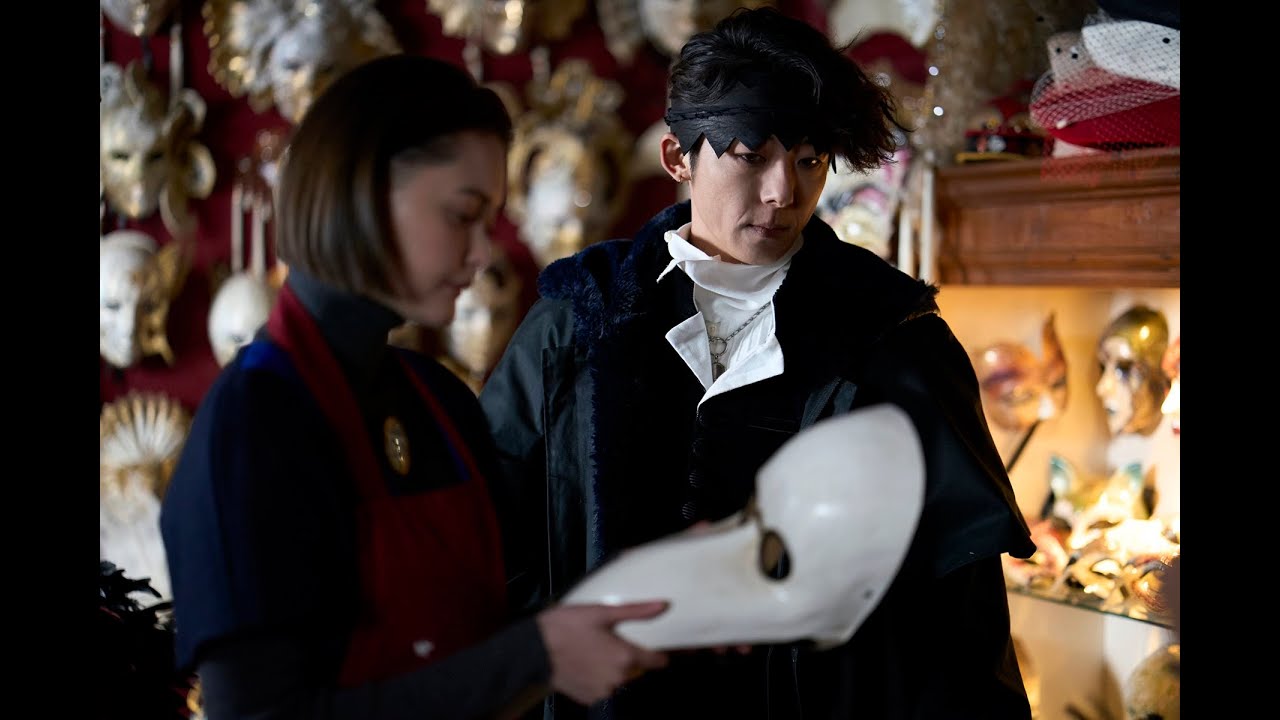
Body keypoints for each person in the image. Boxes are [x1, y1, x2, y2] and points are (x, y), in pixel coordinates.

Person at [479, 8, 1037, 719]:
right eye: (751, 156)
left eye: (808, 160)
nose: (783, 193)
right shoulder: (576, 323)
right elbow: (489, 548)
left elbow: (961, 618)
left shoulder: (894, 336)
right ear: (678, 158)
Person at [159, 54, 670, 720]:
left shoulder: (441, 402)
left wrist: (671, 593)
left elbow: (482, 651)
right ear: (364, 197)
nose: (483, 253)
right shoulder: (253, 426)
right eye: (462, 216)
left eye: (489, 222)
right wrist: (536, 658)